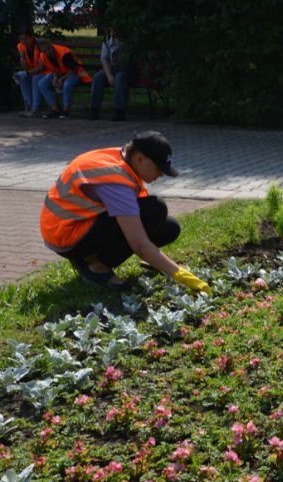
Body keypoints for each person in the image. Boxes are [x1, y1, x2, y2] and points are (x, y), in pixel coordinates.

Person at [40, 130, 210, 293]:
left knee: (169, 227)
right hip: (66, 235)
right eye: (158, 168)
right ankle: (97, 269)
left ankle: (91, 257)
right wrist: (183, 276)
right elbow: (139, 244)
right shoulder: (116, 180)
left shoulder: (122, 159)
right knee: (154, 210)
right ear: (140, 158)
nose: (161, 174)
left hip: (74, 224)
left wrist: (159, 260)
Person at [34, 37, 92, 118]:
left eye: (48, 49)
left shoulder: (64, 54)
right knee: (41, 83)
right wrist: (55, 78)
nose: (47, 52)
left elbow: (74, 69)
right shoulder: (43, 56)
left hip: (77, 73)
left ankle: (66, 110)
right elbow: (53, 68)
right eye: (44, 51)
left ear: (50, 45)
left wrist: (62, 79)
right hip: (60, 73)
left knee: (67, 83)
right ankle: (54, 109)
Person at [89, 26, 133, 121]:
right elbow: (104, 60)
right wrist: (109, 76)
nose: (111, 30)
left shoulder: (128, 41)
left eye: (114, 27)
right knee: (97, 77)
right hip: (113, 68)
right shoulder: (107, 42)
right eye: (110, 28)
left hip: (127, 70)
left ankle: (119, 112)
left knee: (119, 77)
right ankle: (94, 110)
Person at [12, 28, 47, 117]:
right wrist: (22, 58)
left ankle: (35, 107)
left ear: (32, 37)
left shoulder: (40, 45)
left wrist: (27, 73)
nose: (23, 41)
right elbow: (25, 68)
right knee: (22, 78)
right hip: (32, 71)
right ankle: (28, 106)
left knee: (35, 78)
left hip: (46, 71)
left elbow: (42, 67)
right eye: (21, 39)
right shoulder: (21, 46)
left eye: (26, 39)